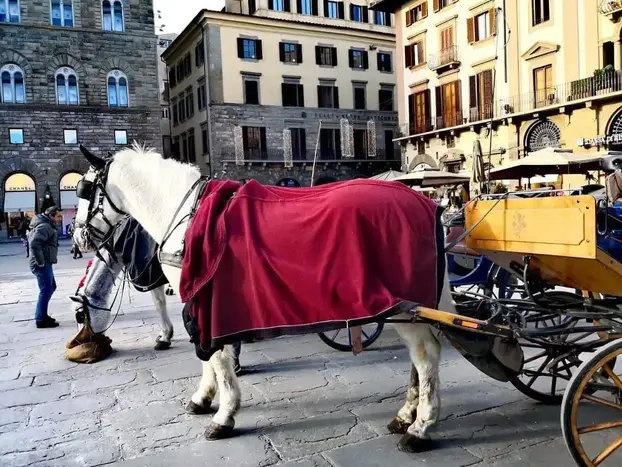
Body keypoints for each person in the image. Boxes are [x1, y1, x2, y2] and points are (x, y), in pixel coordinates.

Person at [28, 206, 62, 328]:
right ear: (51, 216)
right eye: (58, 216)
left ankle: (42, 315)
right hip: (41, 264)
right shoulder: (45, 226)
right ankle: (41, 319)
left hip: (45, 262)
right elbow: (34, 243)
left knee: (51, 287)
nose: (60, 219)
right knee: (46, 289)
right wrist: (41, 262)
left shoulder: (47, 225)